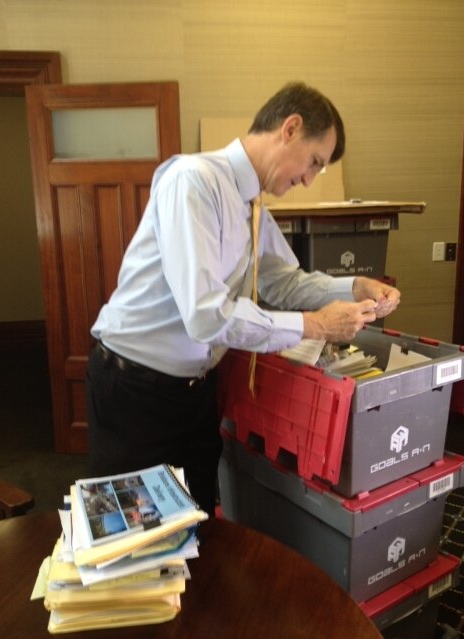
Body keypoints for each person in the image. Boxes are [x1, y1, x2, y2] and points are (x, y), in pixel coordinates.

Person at [86, 81, 400, 516]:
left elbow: (283, 283)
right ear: (289, 128)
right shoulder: (193, 182)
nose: (309, 179)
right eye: (313, 162)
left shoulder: (252, 208)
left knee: (196, 522)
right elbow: (206, 316)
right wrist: (316, 326)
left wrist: (353, 286)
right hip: (136, 388)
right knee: (132, 539)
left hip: (195, 391)